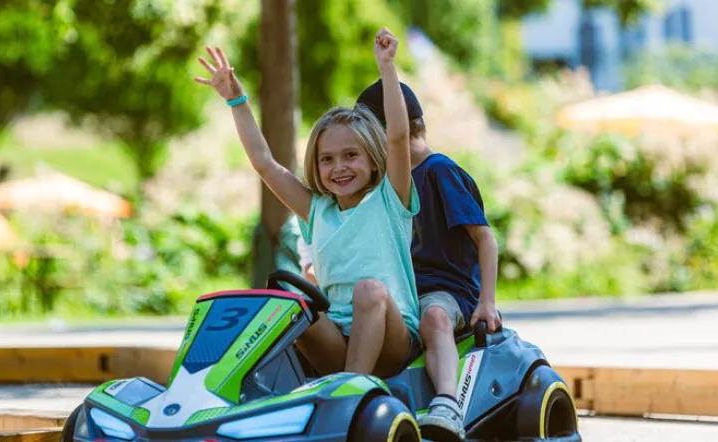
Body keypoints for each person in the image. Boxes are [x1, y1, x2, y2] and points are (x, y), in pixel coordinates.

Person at [194, 27, 422, 379]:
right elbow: (265, 164)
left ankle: (352, 390)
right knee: (290, 304)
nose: (339, 167)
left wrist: (387, 68)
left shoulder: (390, 200)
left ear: (374, 160)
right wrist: (236, 100)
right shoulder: (318, 211)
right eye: (327, 159)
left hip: (393, 338)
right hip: (339, 340)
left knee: (369, 290)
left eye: (350, 155)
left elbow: (398, 136)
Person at [298, 79, 501, 440]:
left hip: (443, 291)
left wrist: (487, 302)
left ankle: (447, 403)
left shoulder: (437, 172)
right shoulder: (370, 192)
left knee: (433, 315)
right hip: (401, 292)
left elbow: (485, 238)